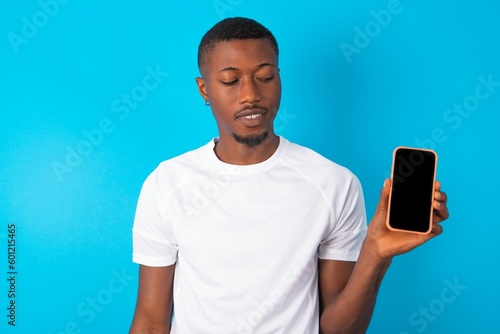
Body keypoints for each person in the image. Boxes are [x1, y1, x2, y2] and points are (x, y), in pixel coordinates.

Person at [129, 17, 449, 334]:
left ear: (279, 78)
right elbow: (150, 323)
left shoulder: (334, 183)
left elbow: (339, 330)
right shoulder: (168, 184)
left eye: (265, 77)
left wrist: (376, 254)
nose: (250, 94)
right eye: (230, 81)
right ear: (204, 89)